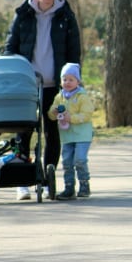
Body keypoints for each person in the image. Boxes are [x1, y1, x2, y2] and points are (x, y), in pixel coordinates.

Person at [4, 0, 81, 201]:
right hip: (27, 86)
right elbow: (11, 47)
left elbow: (74, 52)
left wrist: (73, 81)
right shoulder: (23, 15)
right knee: (23, 131)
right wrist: (14, 72)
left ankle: (48, 181)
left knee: (52, 132)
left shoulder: (65, 16)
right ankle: (22, 182)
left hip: (55, 88)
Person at [47, 63, 95, 200]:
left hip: (82, 135)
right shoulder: (59, 97)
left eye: (71, 79)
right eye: (64, 79)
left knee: (79, 159)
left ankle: (84, 184)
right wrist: (54, 112)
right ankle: (69, 187)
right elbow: (51, 114)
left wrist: (71, 118)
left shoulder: (82, 96)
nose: (67, 82)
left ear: (77, 81)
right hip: (67, 136)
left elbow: (87, 114)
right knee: (67, 162)